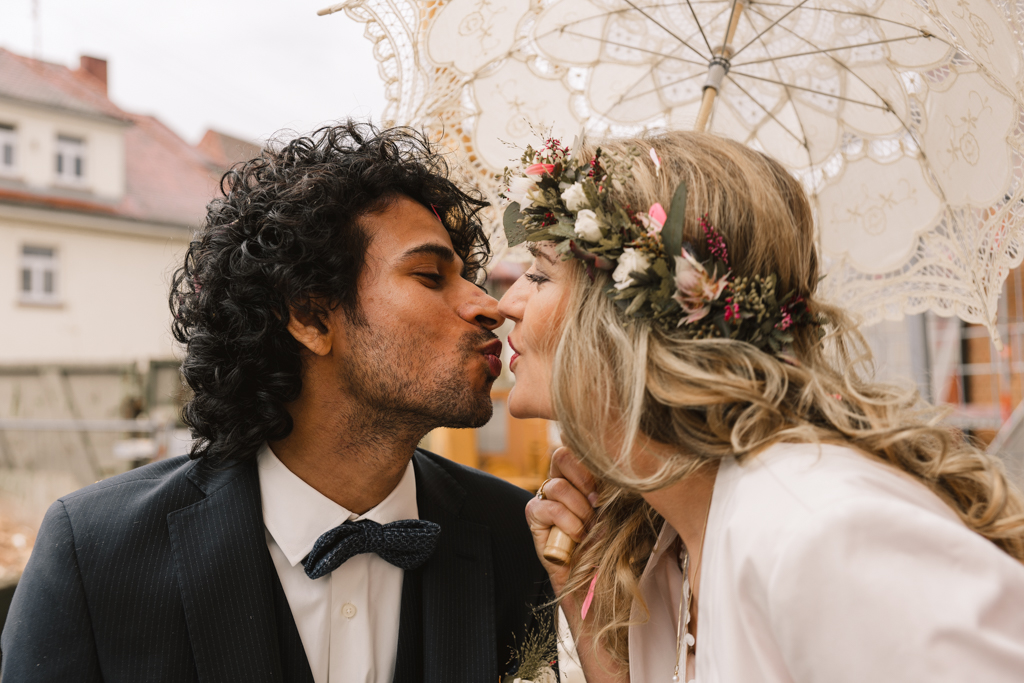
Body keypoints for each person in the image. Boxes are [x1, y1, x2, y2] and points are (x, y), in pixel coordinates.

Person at [1, 122, 550, 682]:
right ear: (311, 316)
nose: (491, 306)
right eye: (431, 275)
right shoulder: (97, 553)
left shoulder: (520, 541)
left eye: (472, 276)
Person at [497, 131, 1024, 682]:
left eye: (538, 274)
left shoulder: (818, 529)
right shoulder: (660, 548)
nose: (507, 303)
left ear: (628, 313)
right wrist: (598, 634)